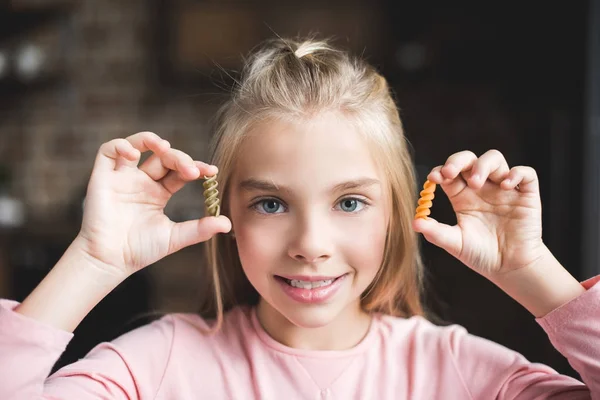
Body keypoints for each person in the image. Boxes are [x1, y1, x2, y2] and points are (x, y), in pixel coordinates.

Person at [0, 37, 598, 400]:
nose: (311, 244)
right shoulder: (153, 370)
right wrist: (93, 261)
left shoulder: (462, 374)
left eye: (350, 202)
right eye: (270, 203)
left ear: (394, 210)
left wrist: (532, 272)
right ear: (225, 209)